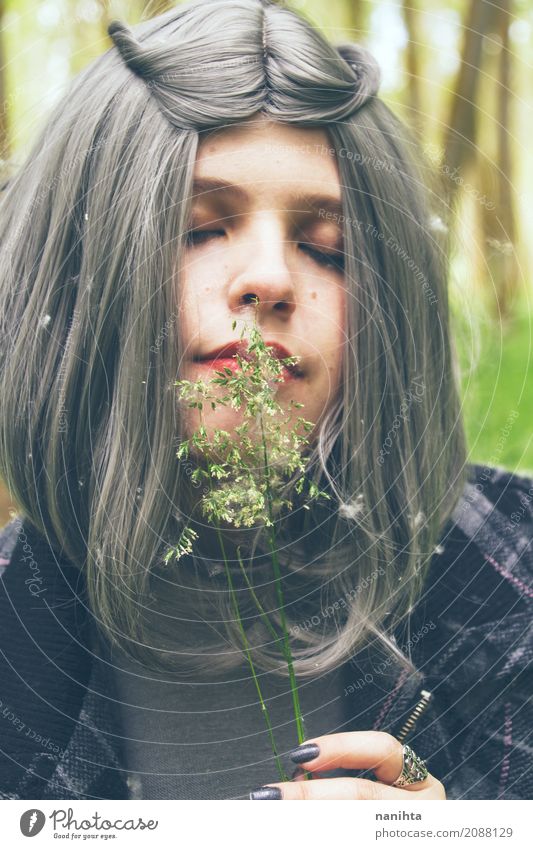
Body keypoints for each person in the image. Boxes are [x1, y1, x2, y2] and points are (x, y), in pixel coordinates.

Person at [0, 0, 531, 801]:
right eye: (197, 228)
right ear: (78, 279)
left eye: (327, 248)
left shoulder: (511, 580)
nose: (271, 280)